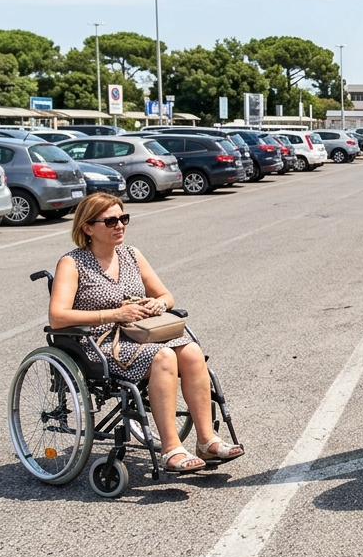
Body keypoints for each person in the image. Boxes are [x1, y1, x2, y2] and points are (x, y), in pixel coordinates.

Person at [47, 193, 243, 474]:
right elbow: (57, 317)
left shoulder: (131, 255)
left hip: (140, 335)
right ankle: (171, 449)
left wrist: (158, 303)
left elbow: (166, 295)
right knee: (163, 356)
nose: (120, 225)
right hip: (97, 343)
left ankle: (206, 440)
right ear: (87, 228)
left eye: (123, 218)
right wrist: (114, 314)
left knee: (191, 351)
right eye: (110, 221)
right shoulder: (72, 262)